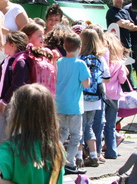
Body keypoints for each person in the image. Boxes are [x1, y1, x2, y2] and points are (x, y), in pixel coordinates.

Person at [55, 33, 90, 175]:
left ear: (64, 46)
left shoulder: (58, 62)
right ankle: (69, 162)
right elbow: (86, 84)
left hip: (59, 104)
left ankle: (55, 158)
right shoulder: (80, 64)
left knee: (61, 133)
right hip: (74, 106)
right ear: (79, 48)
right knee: (75, 135)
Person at [0, 31, 30, 149]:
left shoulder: (20, 62)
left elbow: (17, 85)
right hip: (1, 102)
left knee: (13, 136)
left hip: (13, 104)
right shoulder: (7, 61)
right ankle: (0, 163)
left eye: (6, 43)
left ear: (13, 45)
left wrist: (4, 101)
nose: (4, 45)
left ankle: (13, 164)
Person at [79, 29, 110, 168]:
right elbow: (106, 79)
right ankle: (93, 155)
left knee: (79, 127)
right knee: (89, 127)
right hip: (95, 99)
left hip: (81, 98)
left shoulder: (80, 58)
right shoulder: (100, 59)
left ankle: (78, 157)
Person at [102, 32, 128, 160]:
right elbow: (122, 80)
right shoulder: (119, 63)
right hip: (114, 97)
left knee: (100, 123)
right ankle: (112, 151)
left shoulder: (102, 61)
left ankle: (95, 150)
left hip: (102, 95)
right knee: (111, 125)